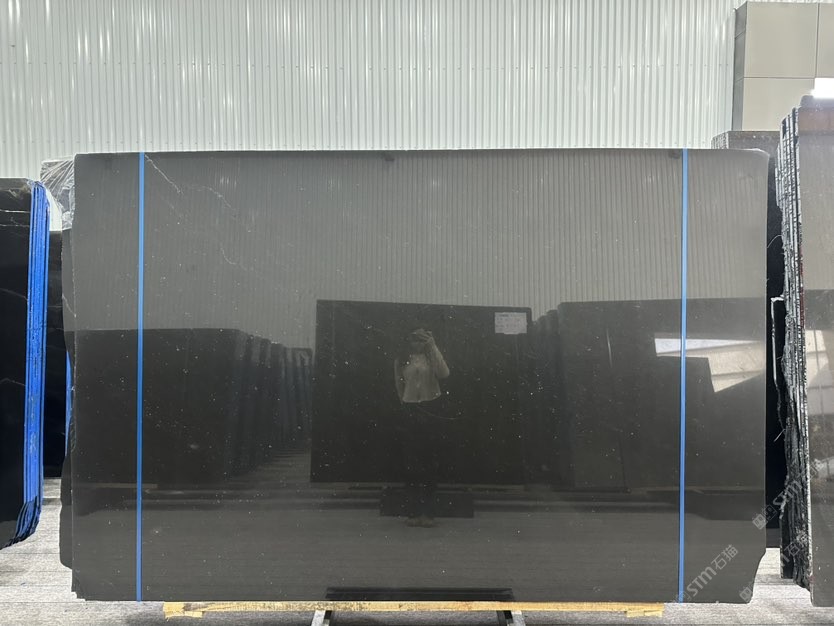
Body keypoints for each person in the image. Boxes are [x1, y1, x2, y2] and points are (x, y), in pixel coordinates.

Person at [394, 328, 450, 527]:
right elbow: (399, 386)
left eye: (421, 340)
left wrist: (432, 346)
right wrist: (407, 405)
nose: (417, 344)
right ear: (408, 341)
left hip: (431, 409)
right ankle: (413, 512)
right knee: (411, 462)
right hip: (410, 410)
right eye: (414, 340)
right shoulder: (401, 360)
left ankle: (428, 513)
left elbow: (444, 373)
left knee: (429, 462)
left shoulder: (431, 356)